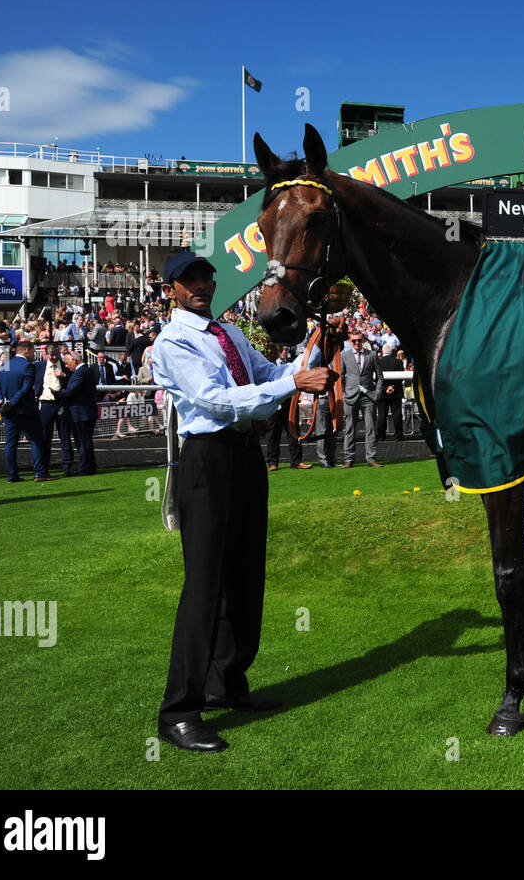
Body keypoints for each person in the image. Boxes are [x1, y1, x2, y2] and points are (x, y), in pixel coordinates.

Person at [150, 250, 332, 752]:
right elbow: (215, 400)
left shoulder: (227, 333)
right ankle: (179, 711)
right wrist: (294, 382)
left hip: (246, 457)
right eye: (189, 280)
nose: (202, 285)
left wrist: (314, 344)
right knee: (205, 585)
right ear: (172, 290)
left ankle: (225, 683)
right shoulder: (173, 342)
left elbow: (268, 374)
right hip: (207, 459)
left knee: (246, 576)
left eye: (206, 276)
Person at [0, 341, 51, 483]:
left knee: (10, 444)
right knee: (36, 441)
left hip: (8, 412)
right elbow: (26, 389)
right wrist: (12, 403)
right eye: (33, 351)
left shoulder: (5, 364)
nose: (34, 354)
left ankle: (12, 475)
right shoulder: (28, 366)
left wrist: (2, 401)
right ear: (26, 350)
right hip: (25, 411)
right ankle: (40, 473)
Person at [340, 331, 380, 467]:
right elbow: (340, 376)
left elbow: (380, 376)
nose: (357, 343)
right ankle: (348, 459)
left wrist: (377, 394)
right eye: (354, 341)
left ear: (363, 341)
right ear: (350, 341)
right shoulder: (344, 356)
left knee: (370, 428)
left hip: (368, 397)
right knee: (350, 429)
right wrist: (344, 393)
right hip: (350, 397)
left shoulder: (372, 355)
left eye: (359, 340)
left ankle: (371, 458)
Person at [37, 344, 75, 474]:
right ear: (46, 355)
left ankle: (67, 466)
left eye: (56, 355)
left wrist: (64, 375)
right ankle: (44, 467)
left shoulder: (65, 365)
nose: (54, 357)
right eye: (51, 355)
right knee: (44, 437)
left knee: (64, 436)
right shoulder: (39, 366)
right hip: (46, 404)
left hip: (61, 403)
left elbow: (75, 380)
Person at [59, 349, 98, 475]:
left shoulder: (81, 373)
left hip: (82, 413)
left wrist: (57, 393)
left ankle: (85, 468)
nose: (66, 365)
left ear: (74, 360)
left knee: (83, 442)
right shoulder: (84, 371)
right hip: (85, 412)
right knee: (85, 441)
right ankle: (89, 466)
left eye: (67, 362)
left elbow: (71, 391)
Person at [375, 345, 407, 442]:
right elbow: (401, 376)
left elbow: (377, 378)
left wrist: (385, 388)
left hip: (383, 393)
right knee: (397, 415)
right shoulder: (398, 362)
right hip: (395, 392)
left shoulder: (378, 362)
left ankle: (381, 436)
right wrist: (394, 387)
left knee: (382, 415)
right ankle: (399, 436)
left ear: (382, 351)